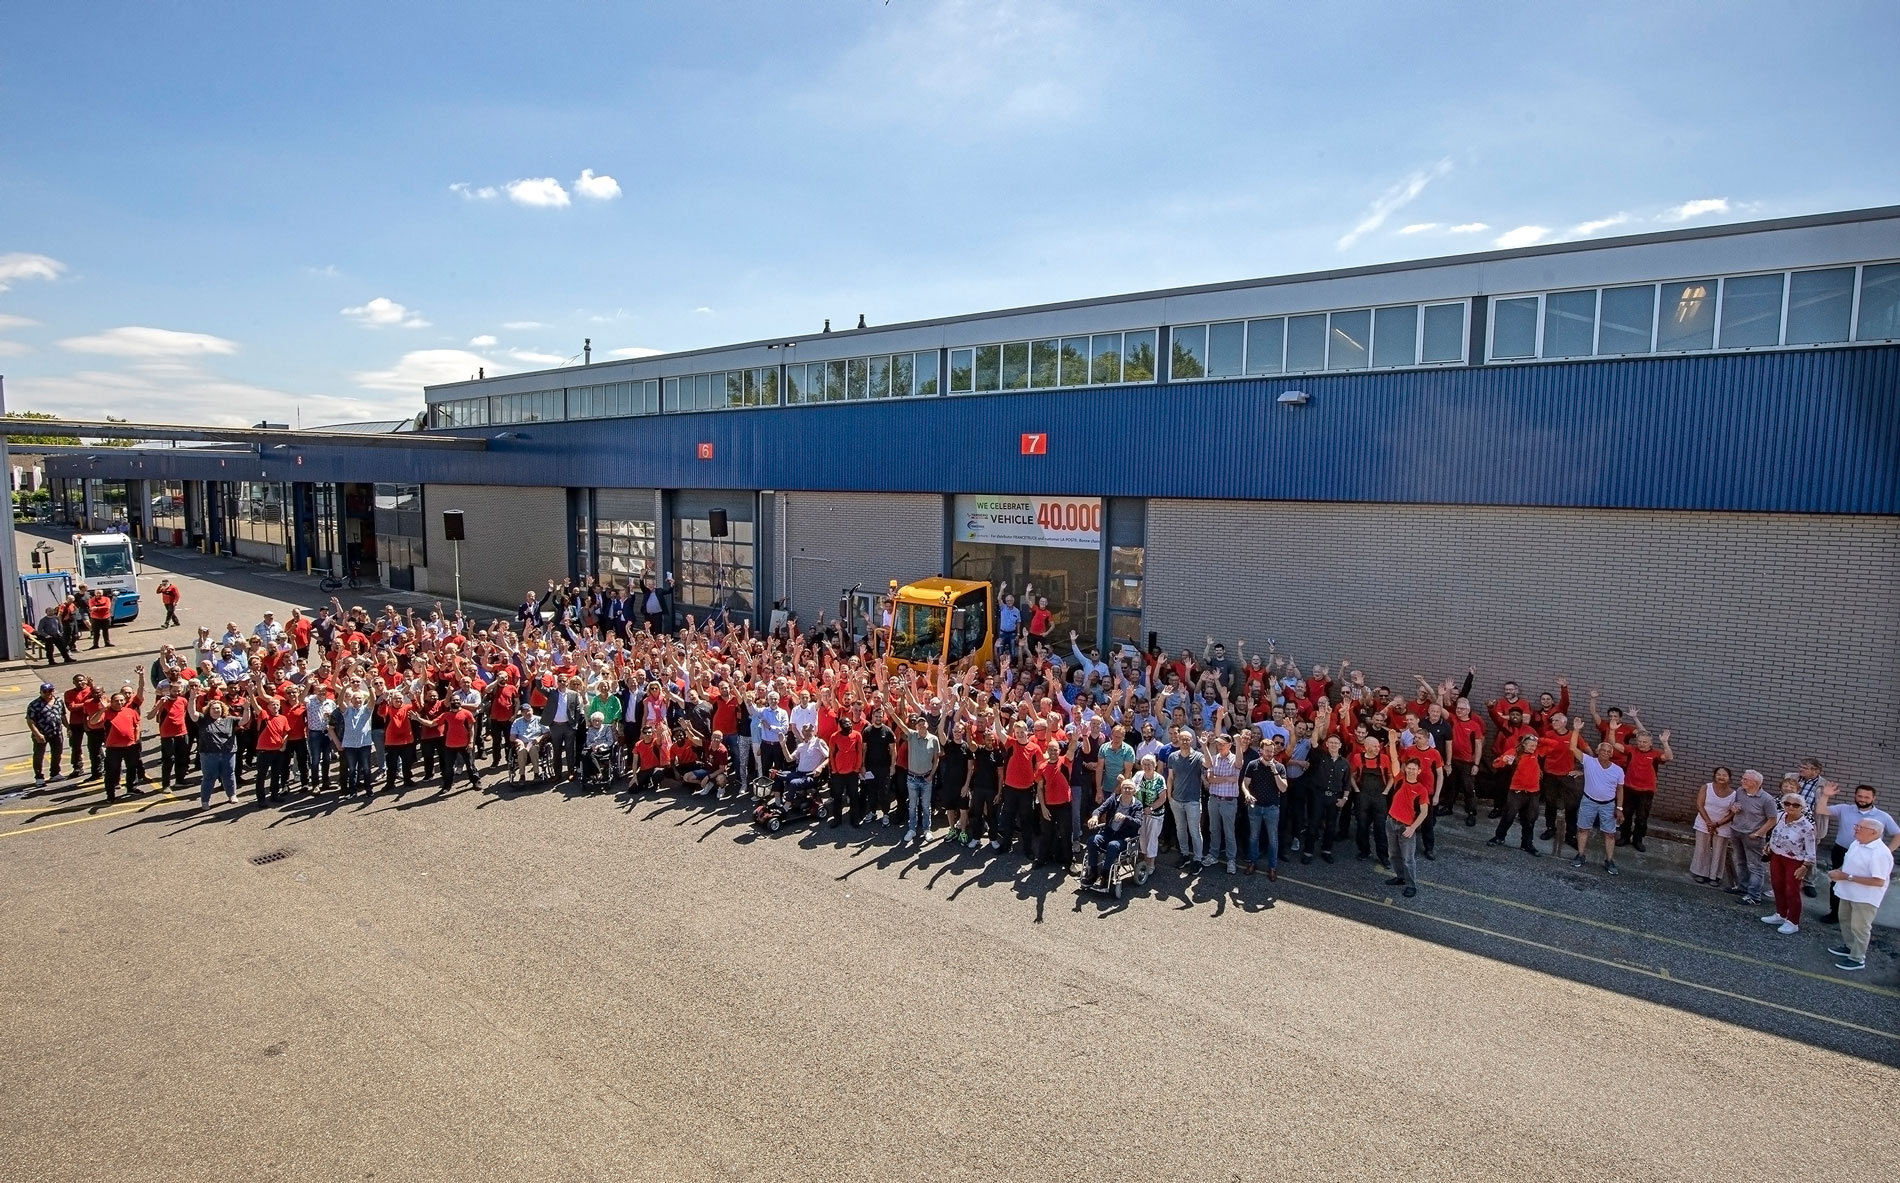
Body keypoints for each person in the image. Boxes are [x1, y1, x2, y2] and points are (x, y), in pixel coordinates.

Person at [1819, 785, 1900, 925]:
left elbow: (1897, 835)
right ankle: (1835, 913)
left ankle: (1856, 916)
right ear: (1855, 796)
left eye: (1867, 797)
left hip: (1866, 855)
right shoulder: (1844, 809)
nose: (1863, 799)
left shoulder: (1883, 816)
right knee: (1837, 880)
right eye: (1860, 796)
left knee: (1858, 882)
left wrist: (1886, 852)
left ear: (1873, 798)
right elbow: (1821, 810)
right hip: (1842, 851)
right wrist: (1825, 795)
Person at [1825, 815, 1893, 972]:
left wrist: (1846, 877)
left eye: (1860, 828)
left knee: (1860, 927)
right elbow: (1848, 862)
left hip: (1865, 897)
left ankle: (1857, 958)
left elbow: (1878, 881)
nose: (1855, 829)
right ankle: (1850, 947)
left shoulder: (1880, 853)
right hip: (1848, 892)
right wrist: (1838, 871)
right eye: (1856, 826)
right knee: (1845, 919)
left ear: (1874, 833)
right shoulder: (1856, 843)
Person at [1760, 787, 1829, 935]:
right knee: (1777, 886)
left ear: (1802, 808)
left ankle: (1793, 921)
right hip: (1776, 856)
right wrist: (1769, 845)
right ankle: (1781, 914)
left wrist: (1805, 866)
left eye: (1796, 805)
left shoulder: (1807, 827)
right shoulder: (1780, 816)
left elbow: (1811, 849)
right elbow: (1775, 833)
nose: (1791, 807)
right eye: (1787, 803)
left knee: (1791, 890)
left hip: (1795, 860)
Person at [1569, 735, 1625, 874]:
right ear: (1597, 751)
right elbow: (1573, 748)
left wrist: (1619, 808)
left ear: (1611, 754)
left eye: (1608, 751)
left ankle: (1609, 860)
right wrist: (1576, 730)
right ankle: (1580, 855)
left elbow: (1620, 789)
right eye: (1603, 750)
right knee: (1583, 829)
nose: (1605, 753)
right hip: (1589, 801)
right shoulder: (1589, 761)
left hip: (1608, 805)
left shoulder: (1618, 770)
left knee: (1610, 834)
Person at [90, 670, 147, 802]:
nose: (120, 703)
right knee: (112, 771)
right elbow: (93, 721)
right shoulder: (106, 713)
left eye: (122, 700)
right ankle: (110, 795)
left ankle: (132, 788)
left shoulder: (130, 711)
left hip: (130, 746)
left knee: (132, 768)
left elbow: (136, 725)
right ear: (111, 701)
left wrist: (136, 739)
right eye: (116, 701)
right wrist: (102, 709)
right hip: (113, 748)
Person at [1384, 747, 1432, 899]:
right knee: (1393, 855)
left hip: (1406, 828)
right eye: (1409, 768)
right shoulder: (1399, 779)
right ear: (1405, 769)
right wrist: (1392, 742)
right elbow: (1394, 759)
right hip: (1391, 822)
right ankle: (1400, 877)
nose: (1411, 771)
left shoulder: (1421, 790)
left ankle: (1411, 885)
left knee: (1408, 859)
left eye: (1414, 769)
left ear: (1419, 771)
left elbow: (1424, 812)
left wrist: (1412, 828)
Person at [184, 693, 245, 808]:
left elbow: (244, 720)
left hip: (228, 753)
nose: (216, 710)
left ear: (222, 710)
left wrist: (247, 709)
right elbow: (192, 713)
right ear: (209, 710)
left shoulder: (230, 720)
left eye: (218, 708)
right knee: (209, 777)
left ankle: (232, 795)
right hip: (208, 754)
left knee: (229, 774)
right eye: (213, 708)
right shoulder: (202, 719)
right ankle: (205, 801)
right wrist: (192, 699)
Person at [1081, 777, 1142, 890]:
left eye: (1130, 788)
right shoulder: (1113, 799)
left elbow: (1138, 823)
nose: (1127, 790)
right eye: (1125, 787)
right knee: (1092, 840)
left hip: (1124, 838)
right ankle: (1093, 872)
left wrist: (1125, 818)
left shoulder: (1137, 805)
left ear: (1134, 790)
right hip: (1109, 833)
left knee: (1113, 846)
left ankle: (1105, 875)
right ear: (1121, 789)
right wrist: (1095, 817)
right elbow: (1100, 809)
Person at [1724, 770, 1776, 904]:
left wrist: (1758, 833)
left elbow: (1772, 820)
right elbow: (1735, 806)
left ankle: (1754, 896)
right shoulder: (1740, 791)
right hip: (1737, 831)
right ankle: (1742, 887)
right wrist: (1734, 808)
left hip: (1753, 837)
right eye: (1743, 778)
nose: (1742, 781)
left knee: (1755, 866)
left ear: (1756, 783)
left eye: (1745, 779)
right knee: (1740, 861)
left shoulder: (1767, 799)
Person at [1488, 732, 1543, 856]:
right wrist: (1503, 760)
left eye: (1535, 745)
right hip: (1516, 792)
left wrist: (1538, 739)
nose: (1533, 748)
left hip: (1533, 792)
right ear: (1524, 745)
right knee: (1509, 816)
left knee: (1530, 819)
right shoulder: (1514, 752)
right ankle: (1499, 837)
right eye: (1531, 745)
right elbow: (1495, 763)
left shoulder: (1536, 753)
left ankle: (1527, 844)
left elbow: (1553, 744)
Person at [1164, 726, 1207, 868]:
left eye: (1187, 739)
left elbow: (1209, 764)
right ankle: (1184, 855)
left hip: (1192, 801)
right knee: (1180, 830)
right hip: (1176, 800)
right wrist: (1169, 796)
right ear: (1178, 739)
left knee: (1195, 832)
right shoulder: (1173, 757)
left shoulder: (1198, 756)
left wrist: (1204, 746)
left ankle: (1198, 859)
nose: (1184, 741)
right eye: (1182, 739)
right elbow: (1170, 777)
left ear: (1192, 740)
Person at [1689, 767, 1737, 886]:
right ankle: (1700, 873)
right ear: (1714, 776)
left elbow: (1732, 813)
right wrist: (1709, 823)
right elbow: (1699, 805)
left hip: (1722, 825)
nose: (1721, 777)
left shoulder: (1734, 794)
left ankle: (1715, 876)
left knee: (1719, 851)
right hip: (1703, 822)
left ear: (1729, 778)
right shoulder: (1706, 787)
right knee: (1702, 849)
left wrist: (1717, 824)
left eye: (1724, 775)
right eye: (1718, 774)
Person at [26, 683, 66, 786]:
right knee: (39, 755)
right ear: (41, 692)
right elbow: (30, 721)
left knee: (57, 753)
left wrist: (68, 728)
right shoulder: (34, 704)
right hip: (41, 734)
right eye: (45, 691)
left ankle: (55, 773)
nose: (48, 693)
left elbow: (62, 715)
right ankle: (39, 777)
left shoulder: (59, 701)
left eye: (50, 691)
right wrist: (37, 734)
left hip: (57, 733)